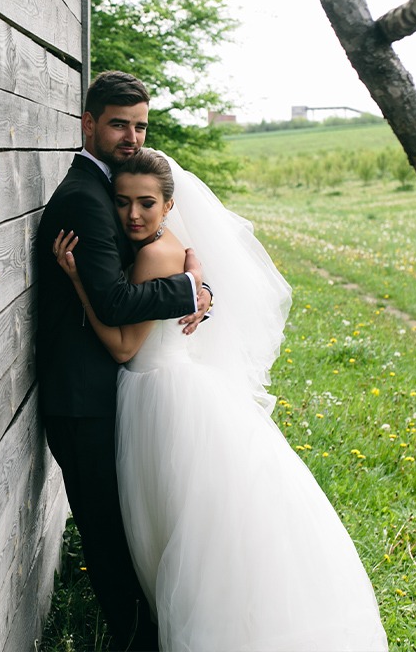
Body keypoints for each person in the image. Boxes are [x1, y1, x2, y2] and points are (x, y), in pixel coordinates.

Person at [52, 149, 388, 652]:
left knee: (189, 528)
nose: (132, 215)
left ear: (169, 206)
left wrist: (79, 280)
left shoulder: (153, 255)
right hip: (166, 387)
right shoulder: (172, 247)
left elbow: (123, 347)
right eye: (122, 202)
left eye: (146, 203)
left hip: (162, 394)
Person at [36, 72, 212, 651]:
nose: (132, 137)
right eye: (119, 124)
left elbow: (150, 252)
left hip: (105, 387)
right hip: (82, 395)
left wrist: (196, 282)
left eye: (140, 125)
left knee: (125, 525)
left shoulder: (114, 186)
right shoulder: (87, 197)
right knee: (108, 535)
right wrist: (187, 289)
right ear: (88, 123)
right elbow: (113, 301)